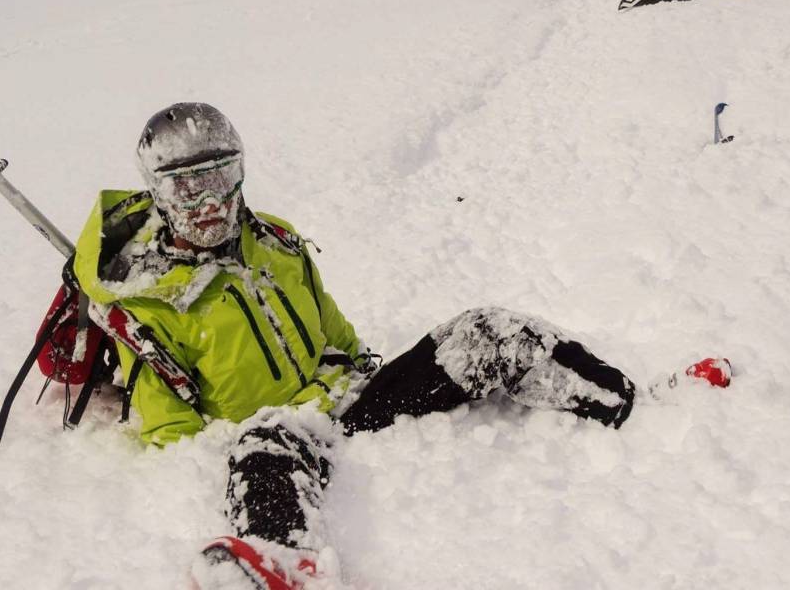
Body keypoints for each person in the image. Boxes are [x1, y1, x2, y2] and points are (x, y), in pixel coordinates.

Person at [71, 102, 730, 590]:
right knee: (262, 439)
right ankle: (283, 564)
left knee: (483, 331)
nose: (207, 202)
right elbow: (173, 438)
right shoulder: (145, 300)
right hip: (278, 436)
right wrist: (268, 427)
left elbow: (337, 335)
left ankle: (624, 401)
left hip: (350, 403)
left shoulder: (274, 238)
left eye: (219, 177)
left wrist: (355, 381)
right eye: (186, 186)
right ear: (158, 192)